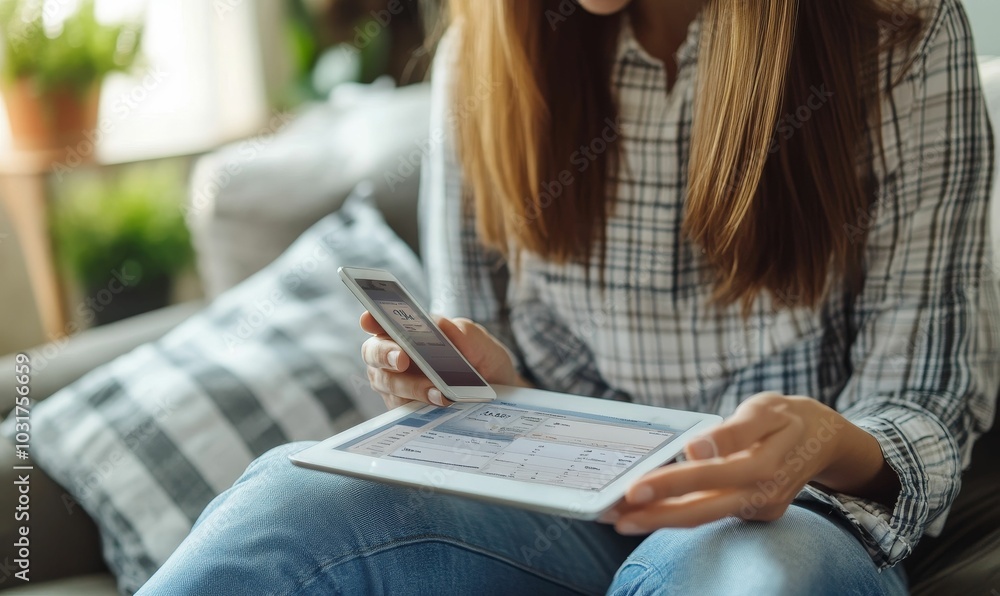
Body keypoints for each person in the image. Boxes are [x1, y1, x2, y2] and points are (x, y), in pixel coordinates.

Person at [138, 0, 999, 593]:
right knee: (288, 500)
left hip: (789, 518)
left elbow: (924, 399)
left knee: (748, 578)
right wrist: (484, 386)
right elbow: (487, 393)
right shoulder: (487, 55)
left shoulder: (899, 35)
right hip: (551, 508)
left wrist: (819, 440)